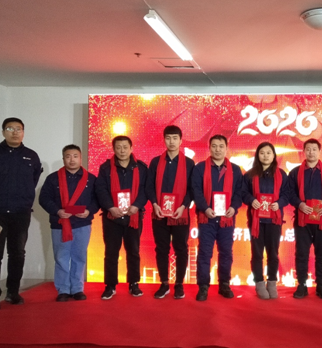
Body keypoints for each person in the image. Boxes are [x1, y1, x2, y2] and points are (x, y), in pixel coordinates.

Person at [39, 145, 99, 302]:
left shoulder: (91, 179)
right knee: (61, 257)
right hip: (60, 224)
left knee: (79, 256)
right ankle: (63, 290)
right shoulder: (53, 178)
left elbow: (97, 199)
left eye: (75, 156)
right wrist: (57, 211)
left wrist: (89, 211)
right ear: (63, 158)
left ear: (80, 158)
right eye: (68, 156)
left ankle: (77, 288)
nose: (72, 160)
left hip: (82, 223)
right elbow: (44, 199)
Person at [0, 118, 42, 310]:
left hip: (20, 213)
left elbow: (34, 180)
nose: (15, 132)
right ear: (3, 132)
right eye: (10, 128)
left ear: (23, 132)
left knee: (17, 253)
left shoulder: (31, 156)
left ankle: (13, 292)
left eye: (18, 129)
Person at [191, 135, 244, 301]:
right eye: (214, 146)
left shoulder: (235, 170)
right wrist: (205, 208)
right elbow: (196, 191)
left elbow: (239, 192)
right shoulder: (200, 168)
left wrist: (233, 207)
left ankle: (224, 284)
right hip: (207, 218)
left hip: (226, 220)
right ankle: (203, 286)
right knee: (204, 252)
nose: (217, 149)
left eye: (221, 146)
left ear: (226, 148)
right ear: (209, 148)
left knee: (226, 252)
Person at [95, 136, 148, 300]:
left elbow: (145, 189)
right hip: (112, 217)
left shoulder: (141, 168)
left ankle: (134, 283)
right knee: (111, 252)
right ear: (114, 149)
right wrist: (110, 207)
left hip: (134, 216)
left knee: (133, 251)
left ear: (131, 148)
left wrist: (137, 205)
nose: (122, 151)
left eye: (125, 147)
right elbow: (101, 190)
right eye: (118, 147)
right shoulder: (105, 168)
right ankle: (110, 285)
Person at [146, 125, 195, 300]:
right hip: (159, 213)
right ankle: (164, 283)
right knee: (162, 249)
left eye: (175, 138)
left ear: (181, 141)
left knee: (181, 249)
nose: (171, 141)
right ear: (164, 140)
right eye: (168, 138)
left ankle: (179, 284)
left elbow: (192, 188)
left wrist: (184, 206)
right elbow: (149, 186)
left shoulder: (189, 163)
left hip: (180, 214)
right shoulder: (155, 162)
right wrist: (154, 204)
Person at [288, 138, 322, 300]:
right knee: (301, 253)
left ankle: (321, 285)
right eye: (308, 149)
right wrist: (299, 204)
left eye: (314, 149)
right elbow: (290, 193)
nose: (311, 152)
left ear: (320, 151)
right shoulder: (295, 172)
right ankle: (301, 284)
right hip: (302, 219)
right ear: (304, 151)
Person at [242, 142, 289, 299]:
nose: (265, 156)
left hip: (274, 221)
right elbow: (243, 192)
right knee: (257, 253)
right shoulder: (249, 175)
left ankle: (272, 282)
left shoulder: (281, 174)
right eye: (262, 153)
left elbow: (287, 194)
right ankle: (259, 283)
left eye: (269, 153)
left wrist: (279, 203)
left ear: (274, 155)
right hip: (256, 221)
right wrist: (251, 200)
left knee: (273, 253)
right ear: (257, 155)